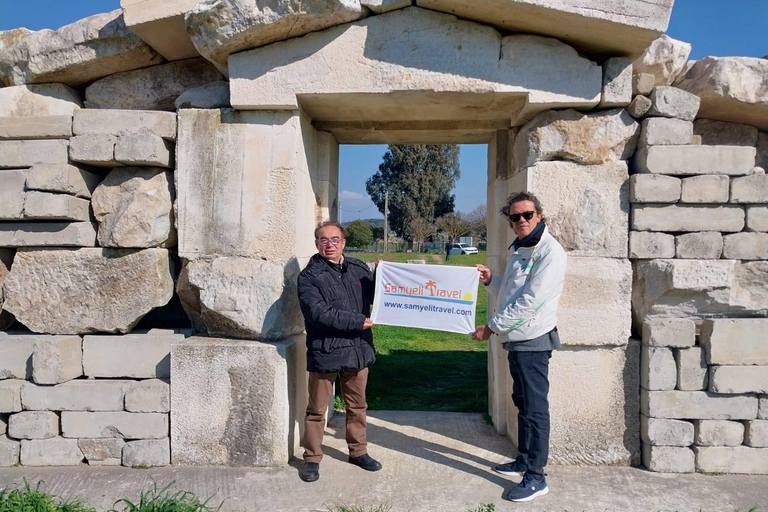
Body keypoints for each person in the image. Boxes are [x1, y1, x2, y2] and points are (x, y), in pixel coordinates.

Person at [472, 192, 566, 502]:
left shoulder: (551, 252)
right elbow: (513, 292)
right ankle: (524, 460)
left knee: (536, 410)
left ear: (540, 216)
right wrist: (491, 281)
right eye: (515, 217)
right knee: (523, 402)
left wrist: (491, 328)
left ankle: (536, 477)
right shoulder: (521, 249)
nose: (521, 221)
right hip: (517, 341)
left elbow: (530, 302)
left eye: (527, 215)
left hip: (533, 342)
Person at [296, 221, 382, 483]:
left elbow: (378, 294)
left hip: (357, 350)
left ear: (344, 243)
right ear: (316, 244)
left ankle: (358, 452)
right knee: (316, 410)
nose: (329, 244)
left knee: (357, 406)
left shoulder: (357, 268)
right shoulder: (309, 276)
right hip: (326, 351)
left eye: (335, 239)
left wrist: (382, 275)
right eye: (323, 240)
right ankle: (312, 458)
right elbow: (318, 313)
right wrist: (356, 321)